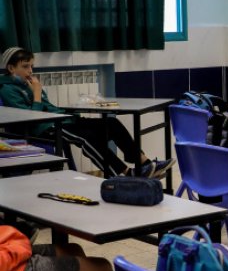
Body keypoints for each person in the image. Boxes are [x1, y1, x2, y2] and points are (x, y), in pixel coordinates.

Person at [0, 47, 173, 179]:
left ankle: (144, 164)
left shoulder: (28, 85)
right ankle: (124, 174)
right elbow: (31, 119)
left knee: (111, 123)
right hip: (44, 129)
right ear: (11, 68)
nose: (30, 71)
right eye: (25, 67)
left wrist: (68, 111)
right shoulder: (8, 90)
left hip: (61, 120)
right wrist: (37, 93)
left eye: (32, 66)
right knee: (88, 137)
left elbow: (49, 107)